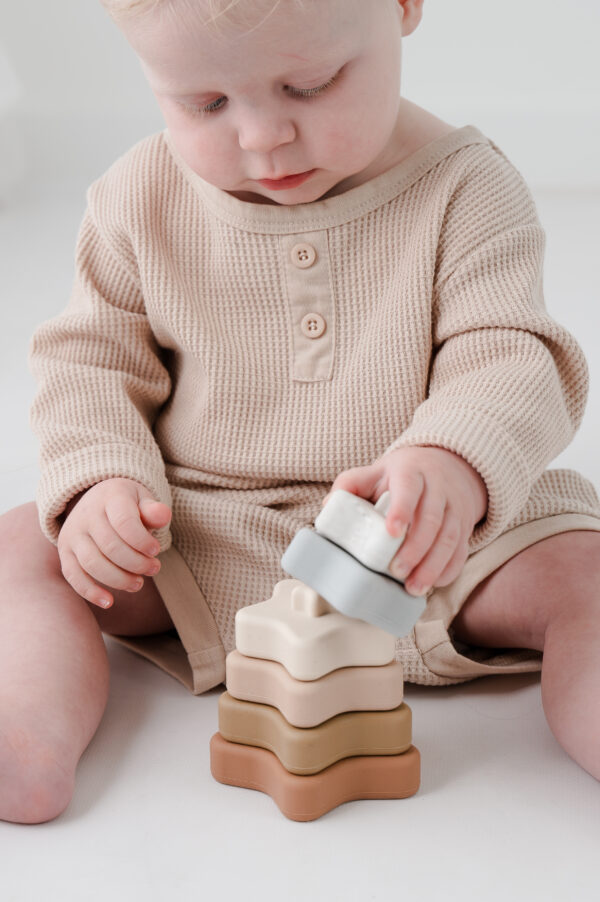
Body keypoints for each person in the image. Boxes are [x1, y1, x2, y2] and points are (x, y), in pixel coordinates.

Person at [2, 0, 599, 824]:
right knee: (24, 549)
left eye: (310, 85)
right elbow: (89, 364)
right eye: (204, 104)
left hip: (427, 542)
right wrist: (101, 487)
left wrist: (453, 461)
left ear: (401, 8)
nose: (262, 137)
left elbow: (509, 354)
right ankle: (24, 739)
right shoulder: (137, 198)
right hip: (199, 534)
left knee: (584, 576)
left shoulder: (466, 187)